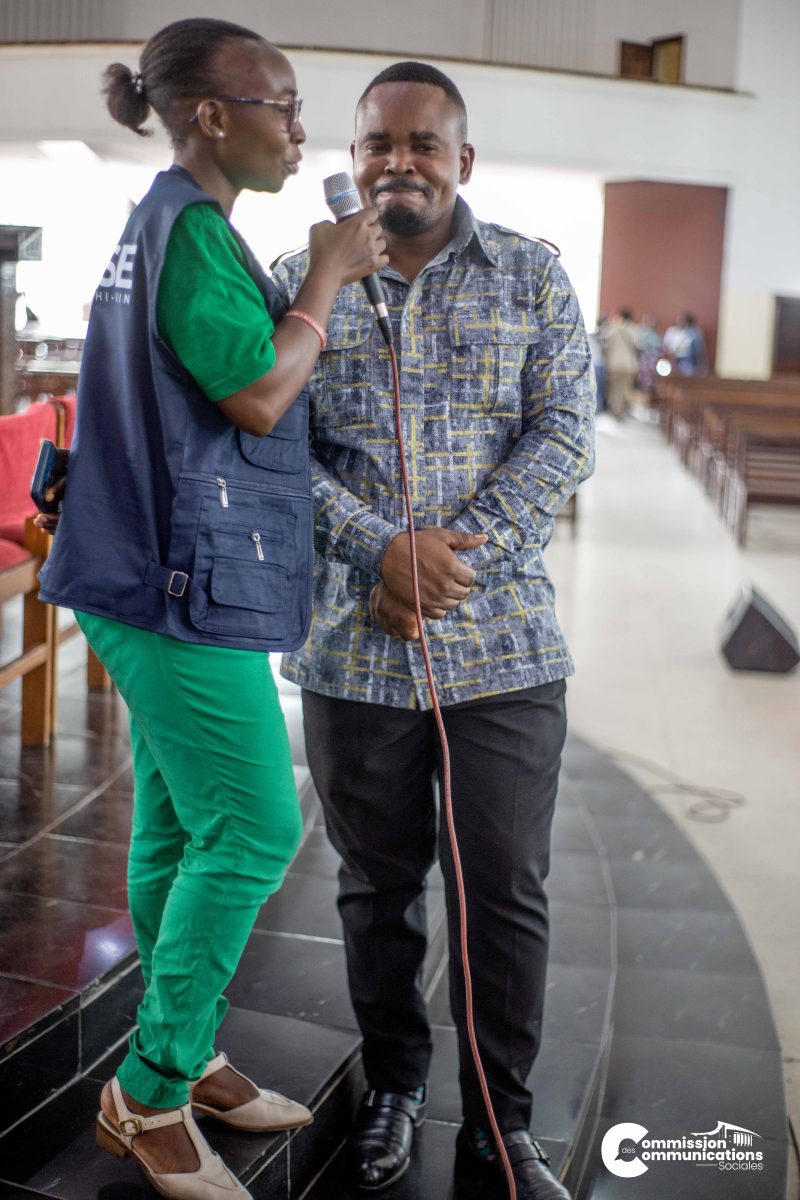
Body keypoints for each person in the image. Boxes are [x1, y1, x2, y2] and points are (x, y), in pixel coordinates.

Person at [35, 18, 387, 1200]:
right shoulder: (187, 228)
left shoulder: (174, 222)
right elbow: (255, 394)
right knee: (253, 830)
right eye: (280, 105)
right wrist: (327, 275)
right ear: (209, 116)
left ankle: (183, 1048)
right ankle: (148, 1093)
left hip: (144, 565)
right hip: (168, 579)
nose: (298, 130)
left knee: (179, 828)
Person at [272, 61, 594, 1200]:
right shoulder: (299, 282)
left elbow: (563, 435)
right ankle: (395, 1088)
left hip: (502, 648)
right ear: (352, 157)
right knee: (374, 889)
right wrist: (380, 550)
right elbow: (268, 444)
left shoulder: (531, 277)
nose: (397, 163)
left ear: (463, 159)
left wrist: (449, 567)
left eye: (421, 143)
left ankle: (504, 1124)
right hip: (353, 648)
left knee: (502, 890)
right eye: (377, 143)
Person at [602, 307, 641, 419]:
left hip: (614, 364)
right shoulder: (634, 329)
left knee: (614, 388)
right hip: (629, 365)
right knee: (626, 389)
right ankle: (623, 411)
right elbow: (638, 347)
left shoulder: (613, 328)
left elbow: (606, 345)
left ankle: (615, 410)